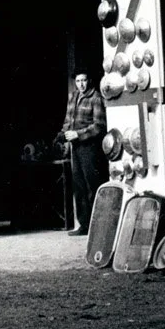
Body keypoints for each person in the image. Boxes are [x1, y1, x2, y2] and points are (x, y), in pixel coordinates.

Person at [60, 70, 107, 236]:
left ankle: (98, 225)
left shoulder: (95, 97)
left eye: (84, 80)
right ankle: (84, 225)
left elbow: (99, 125)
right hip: (75, 147)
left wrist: (78, 134)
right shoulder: (73, 97)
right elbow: (68, 121)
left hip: (89, 147)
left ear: (89, 80)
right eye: (78, 81)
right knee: (78, 186)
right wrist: (63, 134)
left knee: (92, 185)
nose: (81, 84)